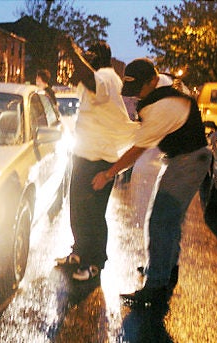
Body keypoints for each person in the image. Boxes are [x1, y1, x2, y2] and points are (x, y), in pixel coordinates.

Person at [91, 58, 211, 303]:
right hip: (184, 158)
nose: (135, 97)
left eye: (139, 90)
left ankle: (155, 287)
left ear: (153, 81)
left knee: (160, 221)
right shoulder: (165, 89)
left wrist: (107, 174)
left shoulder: (161, 107)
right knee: (168, 220)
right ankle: (166, 271)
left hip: (188, 161)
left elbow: (138, 149)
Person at [55, 38, 138, 281]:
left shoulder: (107, 77)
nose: (86, 57)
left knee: (93, 213)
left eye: (90, 53)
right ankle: (78, 253)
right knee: (78, 209)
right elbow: (80, 81)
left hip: (100, 160)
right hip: (82, 156)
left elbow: (90, 80)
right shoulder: (95, 78)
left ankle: (94, 262)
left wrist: (72, 51)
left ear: (101, 57)